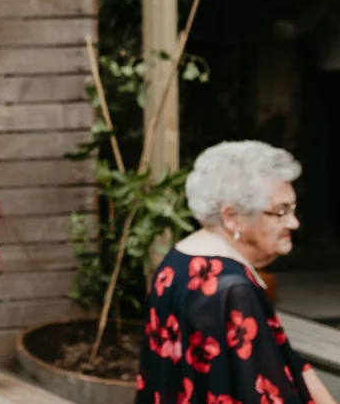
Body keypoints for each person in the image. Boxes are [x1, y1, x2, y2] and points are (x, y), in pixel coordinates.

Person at [137, 141, 337, 404]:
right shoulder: (232, 288)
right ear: (231, 217)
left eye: (292, 209)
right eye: (280, 211)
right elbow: (265, 391)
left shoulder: (178, 260)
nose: (294, 222)